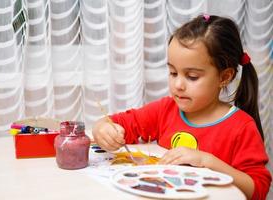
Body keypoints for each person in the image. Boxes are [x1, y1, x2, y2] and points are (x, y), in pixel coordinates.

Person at [92, 14, 271, 200]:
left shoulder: (241, 127)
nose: (178, 84)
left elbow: (258, 189)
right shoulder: (165, 109)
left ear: (224, 77)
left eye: (192, 76)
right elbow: (116, 122)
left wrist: (207, 161)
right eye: (173, 72)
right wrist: (103, 129)